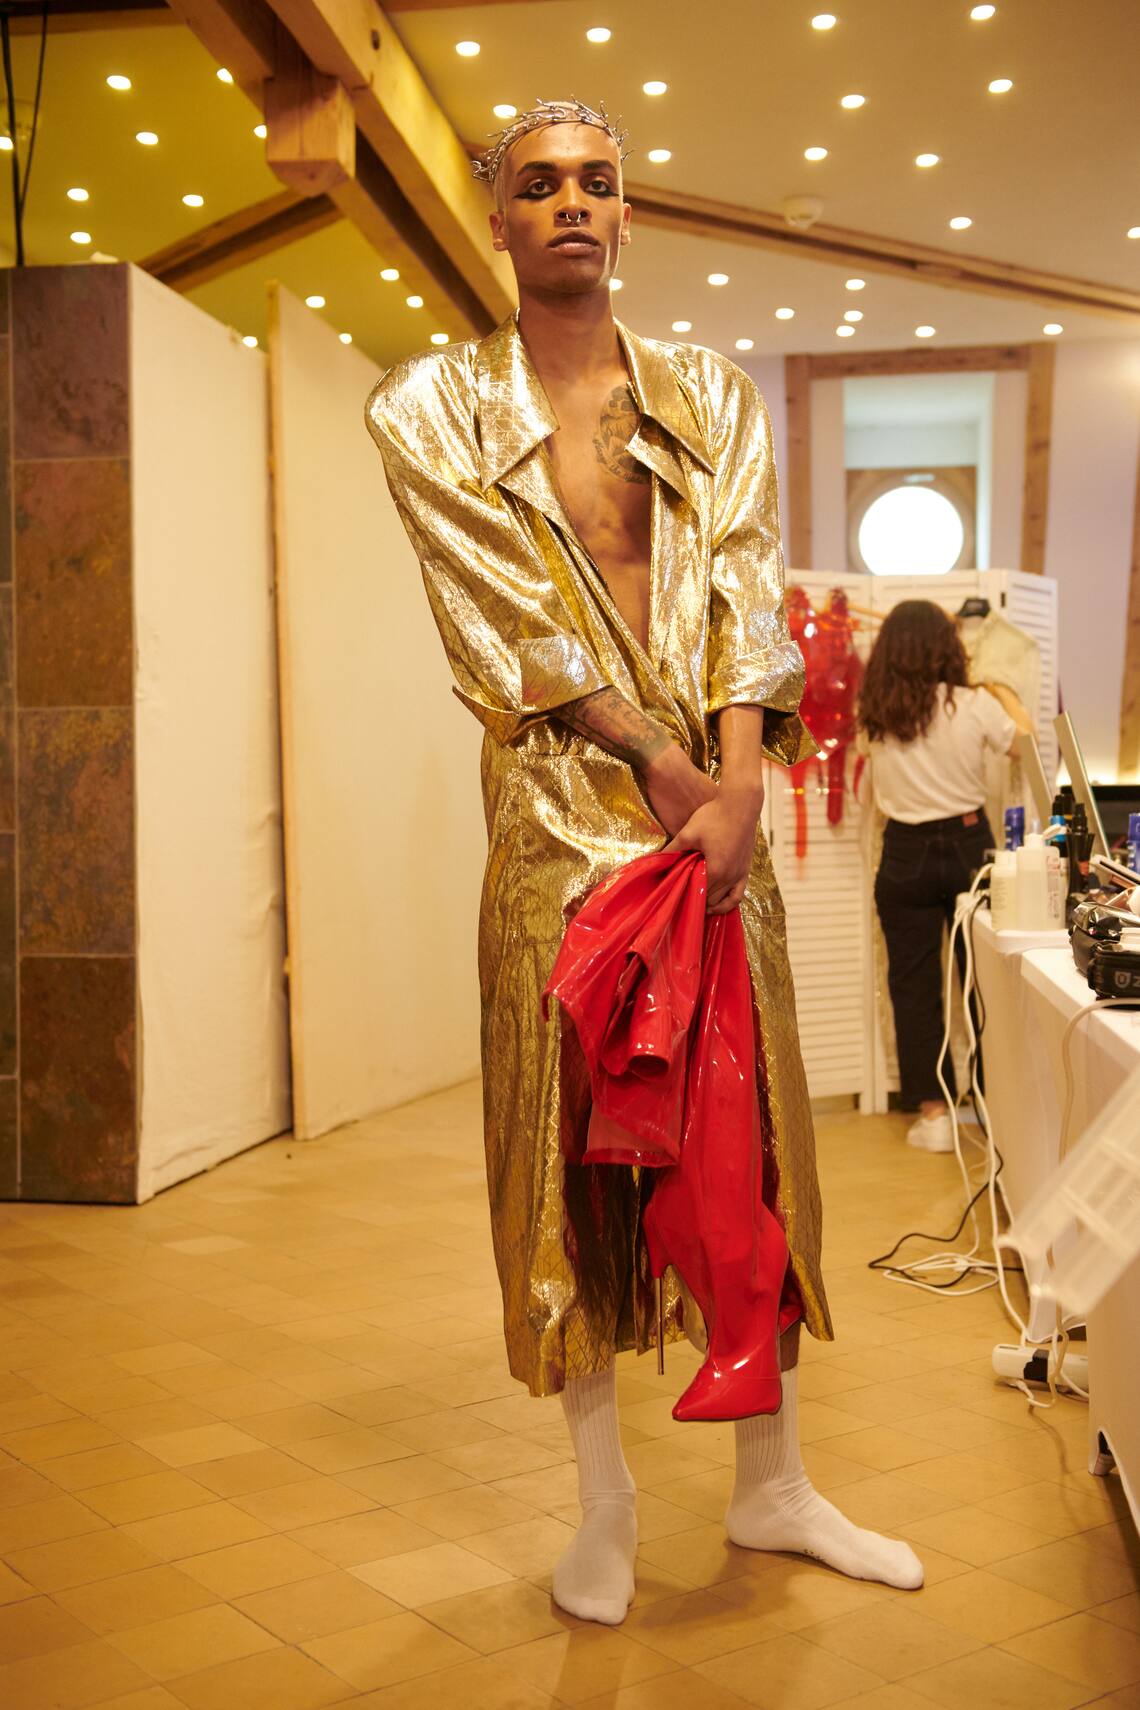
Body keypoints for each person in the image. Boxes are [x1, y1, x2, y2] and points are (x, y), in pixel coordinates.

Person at [366, 98, 922, 1625]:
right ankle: (602, 1500)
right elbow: (498, 619)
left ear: (627, 215)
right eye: (539, 183)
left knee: (756, 1138)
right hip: (562, 822)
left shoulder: (710, 396)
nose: (570, 203)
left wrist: (735, 785)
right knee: (566, 1154)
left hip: (717, 823)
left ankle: (774, 1478)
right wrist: (664, 769)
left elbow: (740, 585)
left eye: (596, 183)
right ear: (497, 217)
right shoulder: (428, 407)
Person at [858, 600, 1030, 1151]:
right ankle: (991, 1102)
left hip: (904, 853)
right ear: (947, 647)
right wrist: (997, 683)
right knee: (982, 982)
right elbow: (1023, 743)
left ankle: (935, 1116)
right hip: (967, 847)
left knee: (913, 988)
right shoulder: (973, 704)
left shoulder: (877, 710)